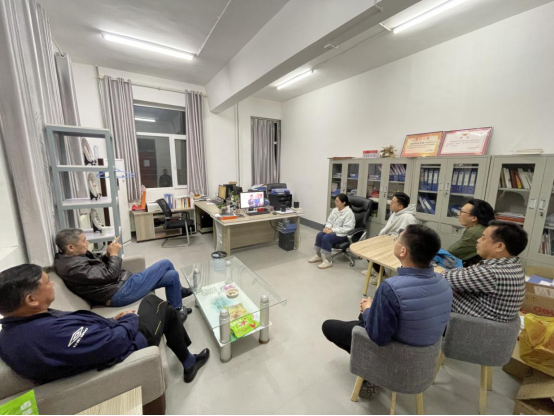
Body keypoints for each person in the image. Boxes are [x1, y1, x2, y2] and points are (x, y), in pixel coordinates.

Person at [0, 265, 210, 384]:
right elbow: (113, 343)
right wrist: (128, 320)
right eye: (47, 283)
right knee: (158, 305)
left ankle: (187, 356)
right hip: (125, 344)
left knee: (163, 307)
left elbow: (84, 334)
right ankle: (189, 362)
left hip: (109, 333)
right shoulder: (48, 336)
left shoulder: (17, 328)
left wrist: (112, 320)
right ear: (31, 299)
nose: (52, 284)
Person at [322, 225, 452, 396]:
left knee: (329, 326)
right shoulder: (444, 282)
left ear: (403, 251)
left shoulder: (391, 287)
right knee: (365, 316)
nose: (394, 241)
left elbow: (379, 337)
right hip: (425, 359)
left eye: (397, 239)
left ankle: (372, 372)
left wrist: (368, 309)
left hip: (396, 353)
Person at [54, 230, 193, 321]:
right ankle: (180, 293)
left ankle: (176, 311)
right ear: (70, 247)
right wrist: (114, 255)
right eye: (84, 241)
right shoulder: (72, 267)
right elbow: (110, 275)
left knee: (172, 275)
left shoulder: (74, 257)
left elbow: (98, 269)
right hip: (119, 293)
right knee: (165, 263)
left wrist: (108, 254)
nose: (87, 243)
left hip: (120, 286)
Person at [443, 221, 528, 323]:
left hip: (468, 325)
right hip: (486, 324)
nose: (478, 240)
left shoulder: (491, 273)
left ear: (499, 246)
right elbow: (465, 274)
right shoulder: (512, 265)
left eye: (483, 238)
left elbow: (441, 279)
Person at [362, 192, 418, 282]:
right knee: (368, 246)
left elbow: (406, 238)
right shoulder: (396, 213)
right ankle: (376, 270)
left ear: (400, 206)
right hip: (387, 239)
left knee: (373, 250)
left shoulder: (408, 218)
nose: (390, 204)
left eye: (393, 202)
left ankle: (382, 275)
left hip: (397, 244)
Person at [309, 194, 356, 269]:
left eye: (337, 201)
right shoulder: (335, 210)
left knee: (326, 238)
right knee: (320, 235)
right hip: (332, 231)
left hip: (343, 234)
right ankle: (319, 256)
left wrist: (332, 230)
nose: (335, 202)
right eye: (335, 201)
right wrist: (327, 227)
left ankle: (328, 261)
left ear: (343, 203)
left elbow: (347, 228)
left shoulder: (349, 213)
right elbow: (330, 221)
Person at [448, 199, 495, 266]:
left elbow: (452, 252)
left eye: (462, 212)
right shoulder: (486, 227)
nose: (458, 214)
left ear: (474, 218)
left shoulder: (474, 232)